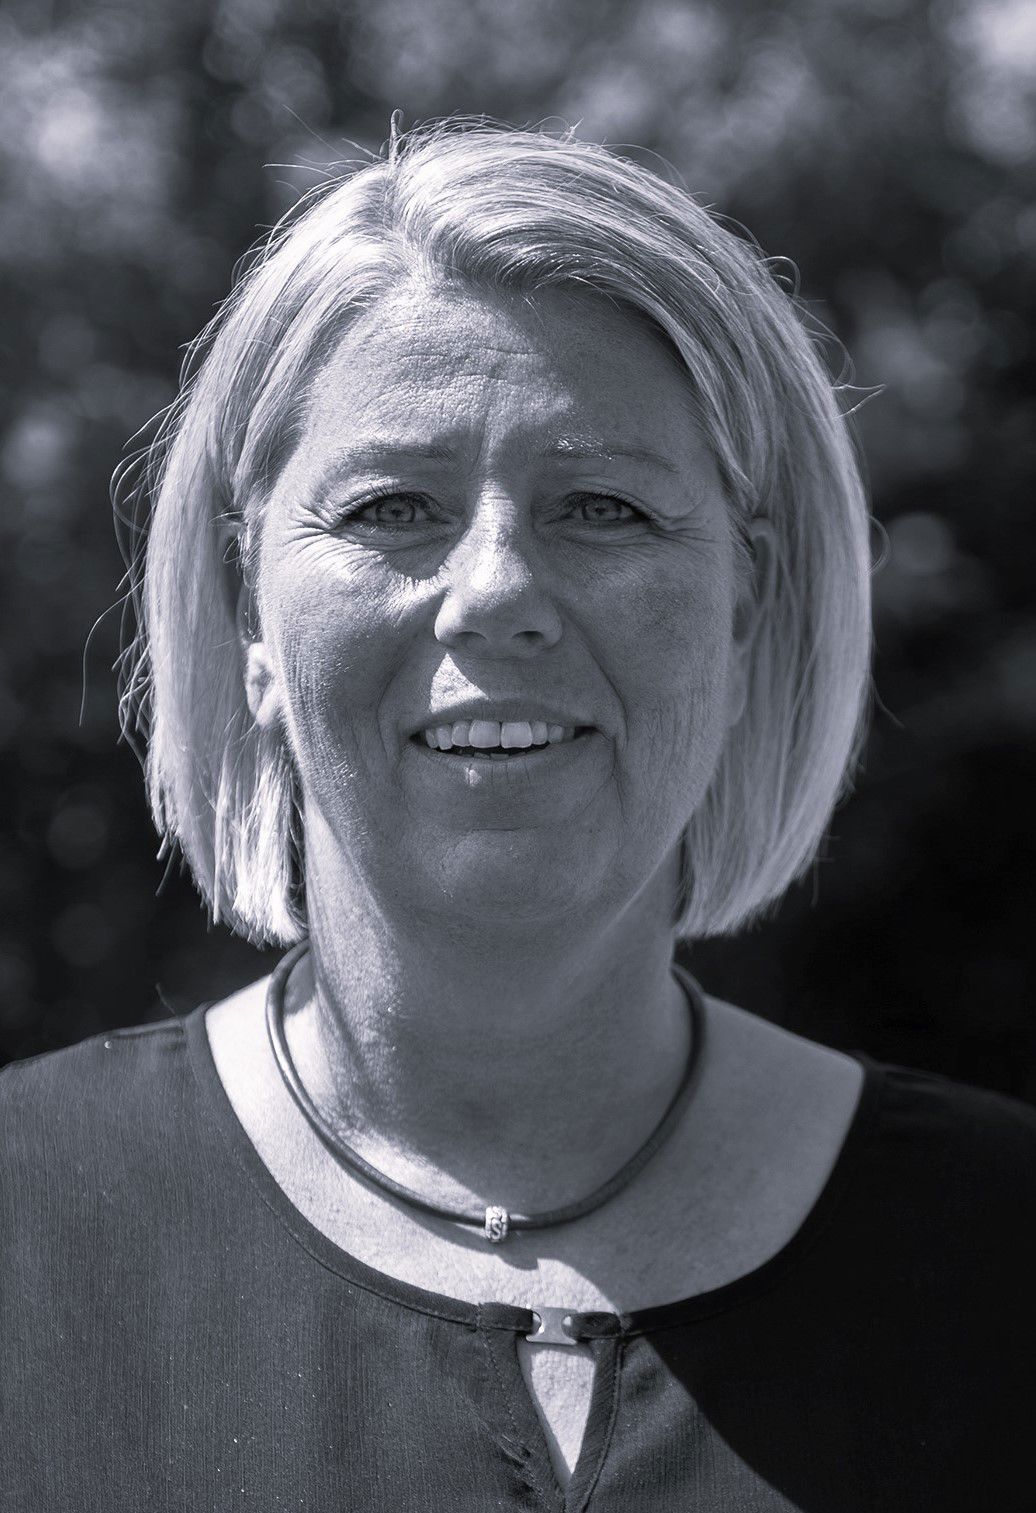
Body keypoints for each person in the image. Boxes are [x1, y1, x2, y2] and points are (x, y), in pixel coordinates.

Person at [2, 118, 1033, 1512]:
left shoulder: (1002, 1251)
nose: (494, 593)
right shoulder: (23, 1221)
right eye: (391, 507)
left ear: (744, 602)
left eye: (602, 505)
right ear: (250, 609)